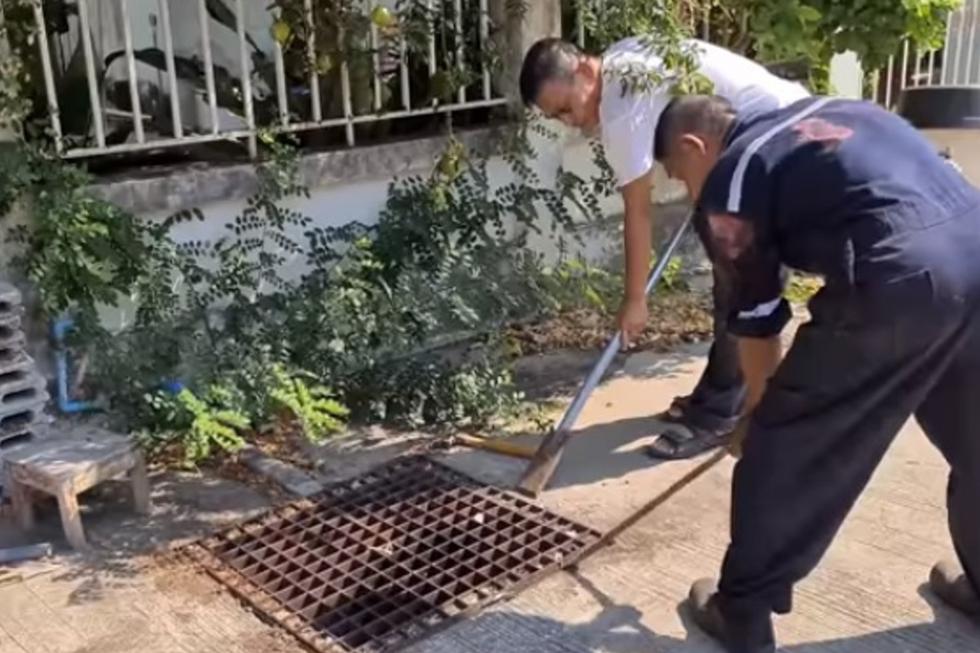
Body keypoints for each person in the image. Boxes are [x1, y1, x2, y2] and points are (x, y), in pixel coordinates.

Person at [652, 93, 980, 652]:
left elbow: (755, 318)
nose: (689, 193)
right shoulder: (837, 108)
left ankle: (743, 609)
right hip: (973, 245)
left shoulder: (731, 179)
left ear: (693, 145)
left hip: (900, 274)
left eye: (681, 176)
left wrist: (759, 415)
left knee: (785, 447)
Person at [519, 37, 810, 460]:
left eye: (567, 108)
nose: (572, 121)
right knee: (726, 286)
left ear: (584, 70)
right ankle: (716, 393)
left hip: (775, 145)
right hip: (774, 128)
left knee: (740, 290)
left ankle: (720, 414)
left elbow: (638, 212)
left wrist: (635, 300)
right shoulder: (625, 59)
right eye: (558, 118)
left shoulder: (621, 108)